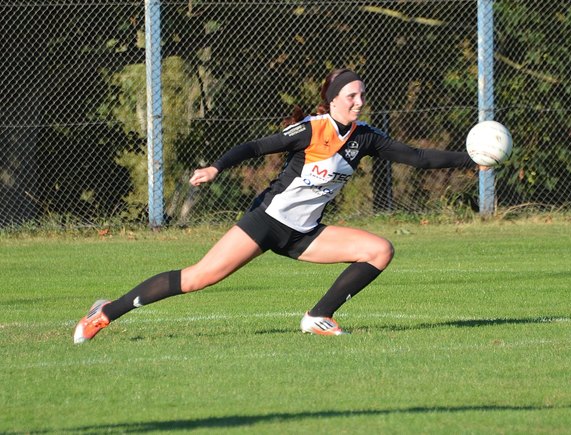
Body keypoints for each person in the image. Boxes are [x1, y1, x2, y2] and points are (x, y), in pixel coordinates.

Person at [74, 68, 479, 343]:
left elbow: (419, 158)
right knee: (198, 277)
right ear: (333, 100)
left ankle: (318, 316)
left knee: (378, 250)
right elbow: (255, 146)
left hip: (305, 233)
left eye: (361, 95)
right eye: (352, 95)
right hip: (266, 221)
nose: (359, 101)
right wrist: (217, 167)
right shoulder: (312, 130)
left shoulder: (365, 136)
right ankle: (105, 312)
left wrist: (471, 159)